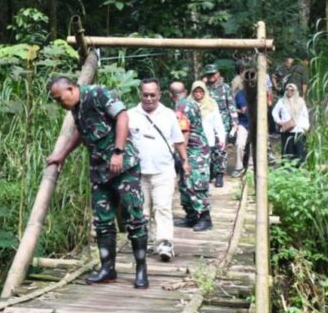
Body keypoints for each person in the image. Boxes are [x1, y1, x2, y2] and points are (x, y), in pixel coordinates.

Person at [46, 77, 149, 288]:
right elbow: (81, 132)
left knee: (135, 218)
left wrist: (118, 152)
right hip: (99, 170)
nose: (59, 103)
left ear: (70, 89)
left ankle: (141, 270)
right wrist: (62, 155)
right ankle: (107, 269)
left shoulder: (98, 93)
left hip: (123, 167)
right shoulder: (76, 107)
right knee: (102, 222)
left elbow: (122, 117)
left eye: (59, 99)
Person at [128, 78, 188, 262]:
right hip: (138, 172)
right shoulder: (130, 114)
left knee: (162, 207)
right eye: (145, 95)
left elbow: (178, 140)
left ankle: (164, 243)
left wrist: (185, 161)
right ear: (140, 94)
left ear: (159, 95)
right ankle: (144, 240)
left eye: (152, 95)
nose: (149, 98)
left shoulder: (169, 114)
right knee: (142, 210)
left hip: (163, 170)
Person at [169, 81, 212, 232]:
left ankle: (204, 217)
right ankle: (192, 216)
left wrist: (182, 156)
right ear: (186, 91)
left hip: (194, 151)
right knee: (185, 183)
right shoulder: (190, 103)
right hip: (193, 149)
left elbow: (184, 133)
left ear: (169, 95)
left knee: (195, 183)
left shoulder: (182, 107)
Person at [203, 64, 238, 188]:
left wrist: (234, 123)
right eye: (208, 74)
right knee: (208, 150)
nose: (211, 77)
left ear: (218, 74)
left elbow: (231, 105)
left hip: (222, 124)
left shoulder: (225, 88)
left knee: (220, 150)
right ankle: (210, 173)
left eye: (213, 74)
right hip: (207, 123)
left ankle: (219, 174)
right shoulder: (203, 89)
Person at [190, 81, 227, 179]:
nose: (198, 94)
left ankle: (218, 176)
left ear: (204, 92)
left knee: (214, 157)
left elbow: (218, 122)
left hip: (209, 137)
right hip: (193, 140)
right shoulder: (188, 104)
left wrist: (221, 138)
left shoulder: (211, 104)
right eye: (196, 92)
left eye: (200, 92)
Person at [272, 82, 310, 165]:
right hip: (287, 131)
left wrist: (306, 127)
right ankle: (287, 171)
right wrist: (279, 122)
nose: (289, 91)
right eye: (287, 90)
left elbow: (305, 115)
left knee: (299, 152)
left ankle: (299, 170)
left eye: (292, 90)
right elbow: (274, 112)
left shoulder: (300, 101)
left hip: (299, 130)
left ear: (295, 91)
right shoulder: (282, 101)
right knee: (288, 153)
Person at [231, 88, 250, 177]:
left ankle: (251, 167)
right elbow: (232, 108)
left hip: (256, 124)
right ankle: (239, 167)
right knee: (239, 144)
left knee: (255, 145)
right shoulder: (239, 94)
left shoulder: (260, 92)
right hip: (243, 123)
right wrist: (241, 111)